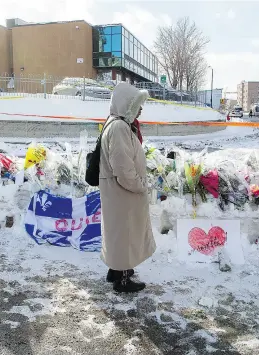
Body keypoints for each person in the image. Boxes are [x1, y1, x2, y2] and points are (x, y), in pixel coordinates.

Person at [99, 83, 156, 293]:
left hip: (117, 193)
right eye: (137, 105)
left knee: (119, 233)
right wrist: (141, 186)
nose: (140, 110)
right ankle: (121, 280)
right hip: (123, 192)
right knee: (125, 234)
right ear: (126, 105)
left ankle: (117, 270)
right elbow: (123, 169)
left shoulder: (116, 124)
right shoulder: (119, 127)